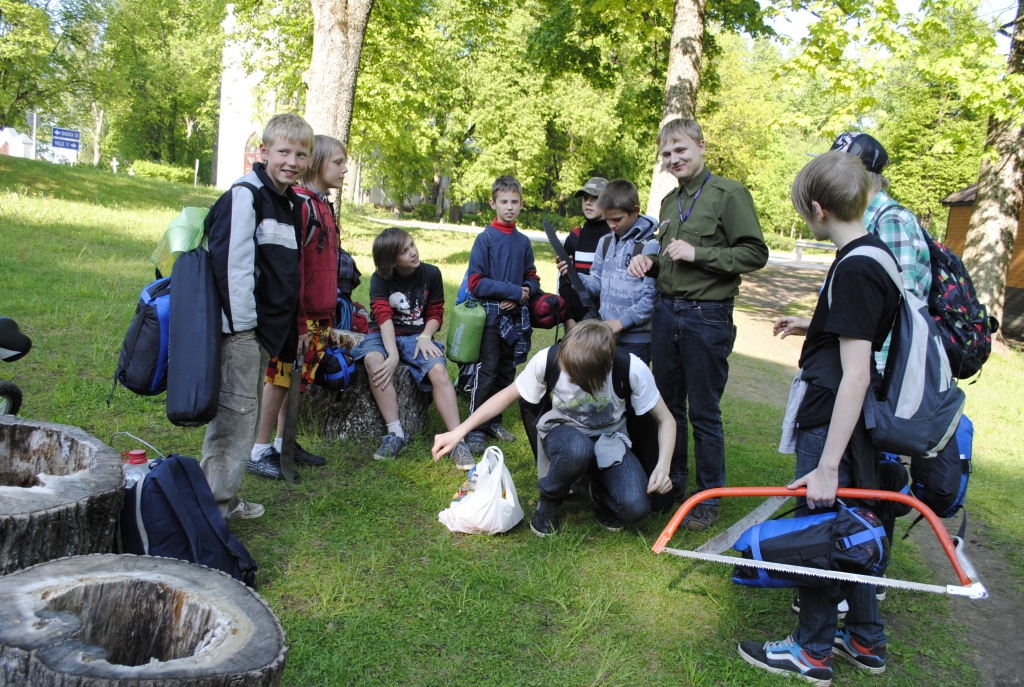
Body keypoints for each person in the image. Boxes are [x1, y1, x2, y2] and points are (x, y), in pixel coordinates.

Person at [738, 151, 901, 686]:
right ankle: (864, 637)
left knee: (825, 529)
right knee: (856, 524)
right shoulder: (875, 253)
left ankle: (810, 650)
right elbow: (863, 329)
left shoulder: (854, 266)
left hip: (835, 417)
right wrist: (815, 323)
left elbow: (855, 372)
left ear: (816, 208)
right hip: (852, 414)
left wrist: (828, 464)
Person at [628, 118, 769, 529]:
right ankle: (673, 482)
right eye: (667, 154)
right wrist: (649, 263)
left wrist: (701, 254)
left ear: (701, 147)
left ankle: (708, 497)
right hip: (666, 312)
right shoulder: (669, 203)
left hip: (707, 317)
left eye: (681, 150)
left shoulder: (729, 194)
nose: (674, 159)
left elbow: (755, 254)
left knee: (704, 411)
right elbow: (672, 260)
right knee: (668, 408)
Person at [432, 320, 675, 535]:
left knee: (636, 508)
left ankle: (599, 491)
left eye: (574, 376)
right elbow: (506, 397)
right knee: (577, 447)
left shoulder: (631, 369)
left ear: (599, 373)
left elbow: (667, 420)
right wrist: (458, 432)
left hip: (611, 438)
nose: (566, 378)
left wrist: (663, 467)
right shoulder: (550, 359)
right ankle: (548, 505)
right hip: (563, 432)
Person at [200, 113, 313, 519]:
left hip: (265, 332)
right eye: (283, 151)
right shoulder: (246, 195)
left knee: (242, 419)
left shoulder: (288, 202)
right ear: (263, 152)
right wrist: (243, 330)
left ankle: (224, 499)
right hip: (241, 332)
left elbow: (286, 274)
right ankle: (213, 509)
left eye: (301, 154)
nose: (292, 161)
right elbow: (232, 269)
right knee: (234, 419)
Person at [247, 134, 348, 479]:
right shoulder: (302, 206)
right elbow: (295, 269)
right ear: (317, 163)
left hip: (320, 316)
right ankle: (258, 450)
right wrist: (301, 321)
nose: (345, 170)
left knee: (298, 381)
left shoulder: (322, 204)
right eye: (338, 162)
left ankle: (282, 442)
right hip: (298, 319)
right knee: (279, 379)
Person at [349, 227, 474, 467]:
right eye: (404, 251)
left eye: (412, 245)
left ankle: (457, 439)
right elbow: (383, 317)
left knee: (438, 370)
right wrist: (392, 354)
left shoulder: (432, 274)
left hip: (417, 336)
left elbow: (436, 313)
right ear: (390, 260)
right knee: (374, 360)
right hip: (384, 334)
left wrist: (426, 336)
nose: (413, 253)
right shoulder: (380, 279)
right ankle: (396, 433)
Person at [463, 175, 540, 455]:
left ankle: (494, 421)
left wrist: (526, 291)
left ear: (521, 205)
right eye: (504, 202)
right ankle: (474, 427)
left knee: (507, 371)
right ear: (493, 203)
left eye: (515, 202)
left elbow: (532, 277)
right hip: (490, 318)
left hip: (515, 317)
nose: (509, 207)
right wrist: (511, 292)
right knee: (488, 370)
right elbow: (476, 282)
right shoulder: (485, 239)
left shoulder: (523, 243)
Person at [560, 179, 658, 364]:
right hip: (606, 338)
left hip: (636, 342)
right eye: (607, 219)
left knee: (629, 391)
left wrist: (620, 323)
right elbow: (597, 284)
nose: (612, 225)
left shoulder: (650, 245)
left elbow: (652, 299)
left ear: (635, 211)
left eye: (617, 219)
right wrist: (573, 276)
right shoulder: (606, 242)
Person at [559, 177, 610, 330]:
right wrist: (568, 318)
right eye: (585, 198)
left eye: (595, 198)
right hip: (576, 319)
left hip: (606, 321)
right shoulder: (574, 237)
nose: (588, 202)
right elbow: (564, 281)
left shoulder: (614, 236)